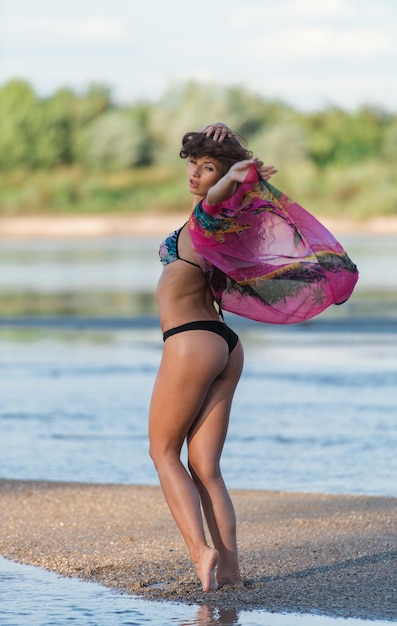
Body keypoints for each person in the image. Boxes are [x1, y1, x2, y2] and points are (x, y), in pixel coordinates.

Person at [148, 122, 277, 592]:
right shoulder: (226, 226)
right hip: (224, 343)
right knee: (205, 467)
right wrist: (224, 146)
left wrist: (238, 170)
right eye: (193, 165)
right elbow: (226, 190)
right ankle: (231, 571)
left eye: (206, 168)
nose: (195, 175)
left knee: (162, 452)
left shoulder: (210, 211)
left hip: (191, 340)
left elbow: (220, 191)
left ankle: (202, 553)